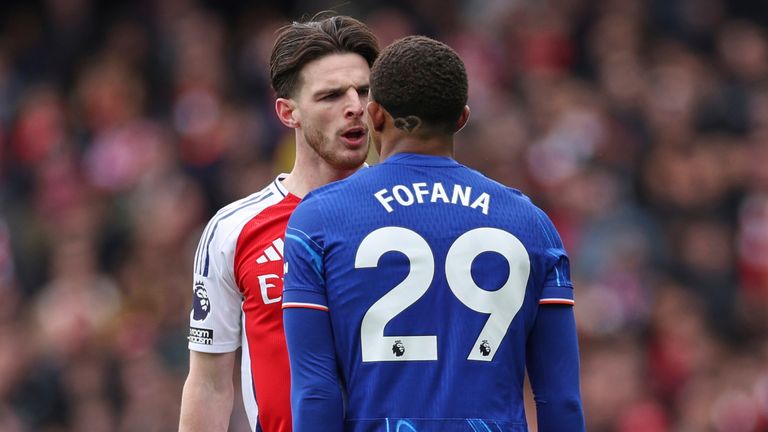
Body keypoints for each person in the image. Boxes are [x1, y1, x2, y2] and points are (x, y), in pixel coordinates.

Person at [282, 35, 586, 431]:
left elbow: (316, 391)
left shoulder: (318, 220)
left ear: (373, 115)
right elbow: (559, 398)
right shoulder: (531, 225)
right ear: (462, 118)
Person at [178, 14, 379, 432]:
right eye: (330, 96)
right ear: (289, 113)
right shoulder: (234, 229)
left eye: (363, 91)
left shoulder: (405, 214)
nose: (354, 107)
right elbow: (211, 383)